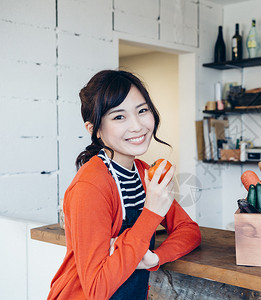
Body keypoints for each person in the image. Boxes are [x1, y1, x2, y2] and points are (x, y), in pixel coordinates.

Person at [48, 70, 201, 299]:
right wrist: (151, 212)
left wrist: (154, 257)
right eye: (119, 117)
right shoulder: (90, 186)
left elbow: (189, 231)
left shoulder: (143, 173)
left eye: (142, 111)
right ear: (95, 130)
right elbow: (97, 289)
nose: (138, 126)